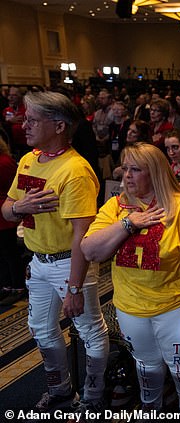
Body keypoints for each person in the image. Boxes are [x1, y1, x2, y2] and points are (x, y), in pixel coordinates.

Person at [0, 91, 109, 414]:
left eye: (32, 119)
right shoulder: (30, 159)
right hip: (39, 261)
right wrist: (20, 206)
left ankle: (93, 395)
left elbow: (81, 237)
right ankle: (61, 391)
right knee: (42, 330)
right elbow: (7, 211)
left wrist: (74, 287)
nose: (24, 124)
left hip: (70, 263)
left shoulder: (75, 171)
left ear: (59, 125)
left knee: (89, 331)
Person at [81, 143, 180, 422]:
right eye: (125, 168)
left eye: (136, 169)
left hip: (175, 306)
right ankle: (151, 411)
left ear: (156, 172)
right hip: (130, 306)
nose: (127, 175)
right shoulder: (116, 206)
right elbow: (90, 250)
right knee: (146, 365)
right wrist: (129, 223)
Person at [0, 137, 24, 305]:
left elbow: (14, 187)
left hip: (4, 215)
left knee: (10, 253)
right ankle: (6, 285)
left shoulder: (5, 162)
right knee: (2, 254)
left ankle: (17, 286)